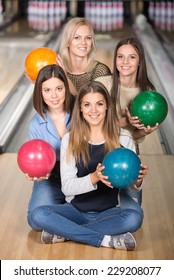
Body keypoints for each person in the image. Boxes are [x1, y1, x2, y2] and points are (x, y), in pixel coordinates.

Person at [31, 81, 148, 250]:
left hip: (110, 211)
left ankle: (65, 232)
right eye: (87, 104)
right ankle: (105, 240)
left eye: (99, 104)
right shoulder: (70, 140)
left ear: (107, 106)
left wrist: (137, 180)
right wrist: (94, 177)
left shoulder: (124, 138)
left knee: (134, 218)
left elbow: (129, 188)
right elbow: (67, 188)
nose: (93, 110)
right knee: (38, 215)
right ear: (80, 108)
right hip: (75, 211)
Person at [27, 64, 73, 233]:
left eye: (59, 88)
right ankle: (68, 209)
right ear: (40, 92)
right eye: (47, 90)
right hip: (50, 178)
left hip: (78, 175)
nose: (54, 95)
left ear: (66, 88)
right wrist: (34, 174)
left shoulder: (80, 114)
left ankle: (58, 216)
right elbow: (34, 162)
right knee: (35, 221)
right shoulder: (35, 124)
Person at [58, 17, 112, 95]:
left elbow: (86, 103)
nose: (83, 43)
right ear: (68, 42)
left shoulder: (100, 71)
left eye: (88, 38)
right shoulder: (58, 69)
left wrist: (65, 77)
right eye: (77, 38)